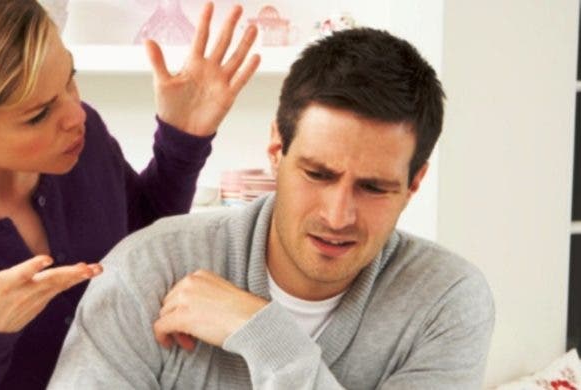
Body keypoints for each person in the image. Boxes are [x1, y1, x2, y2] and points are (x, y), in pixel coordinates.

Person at [0, 0, 260, 389]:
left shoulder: (81, 146)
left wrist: (181, 140)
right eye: (38, 115)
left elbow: (140, 239)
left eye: (70, 80)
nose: (75, 115)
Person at [49, 28, 495, 389]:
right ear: (276, 150)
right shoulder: (147, 271)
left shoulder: (446, 300)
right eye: (317, 174)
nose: (338, 216)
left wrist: (266, 335)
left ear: (415, 183)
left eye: (374, 187)